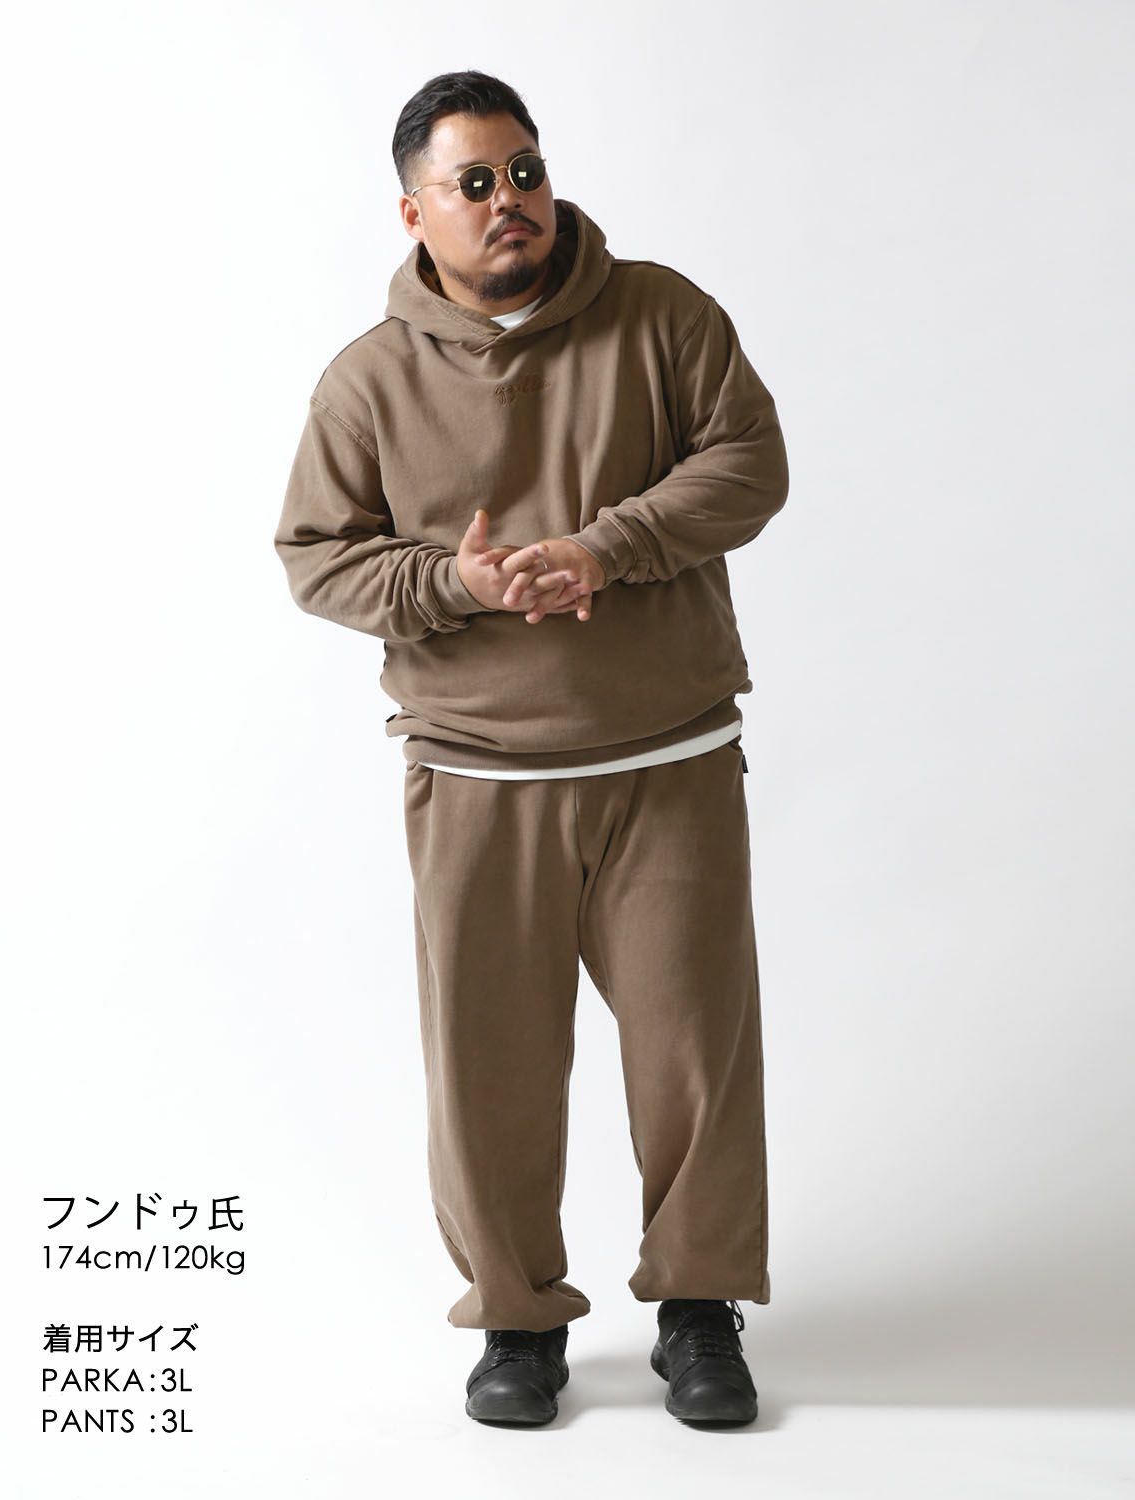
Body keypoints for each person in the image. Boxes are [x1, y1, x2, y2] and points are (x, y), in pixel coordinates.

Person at [274, 69, 789, 1428]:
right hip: (476, 774)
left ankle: (699, 1310)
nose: (510, 200)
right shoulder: (369, 382)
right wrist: (456, 583)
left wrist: (606, 548)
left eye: (526, 171)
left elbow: (749, 463)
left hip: (667, 758)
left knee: (695, 1055)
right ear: (414, 211)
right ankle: (515, 1321)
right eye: (474, 182)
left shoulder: (663, 316)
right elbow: (317, 558)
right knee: (486, 1068)